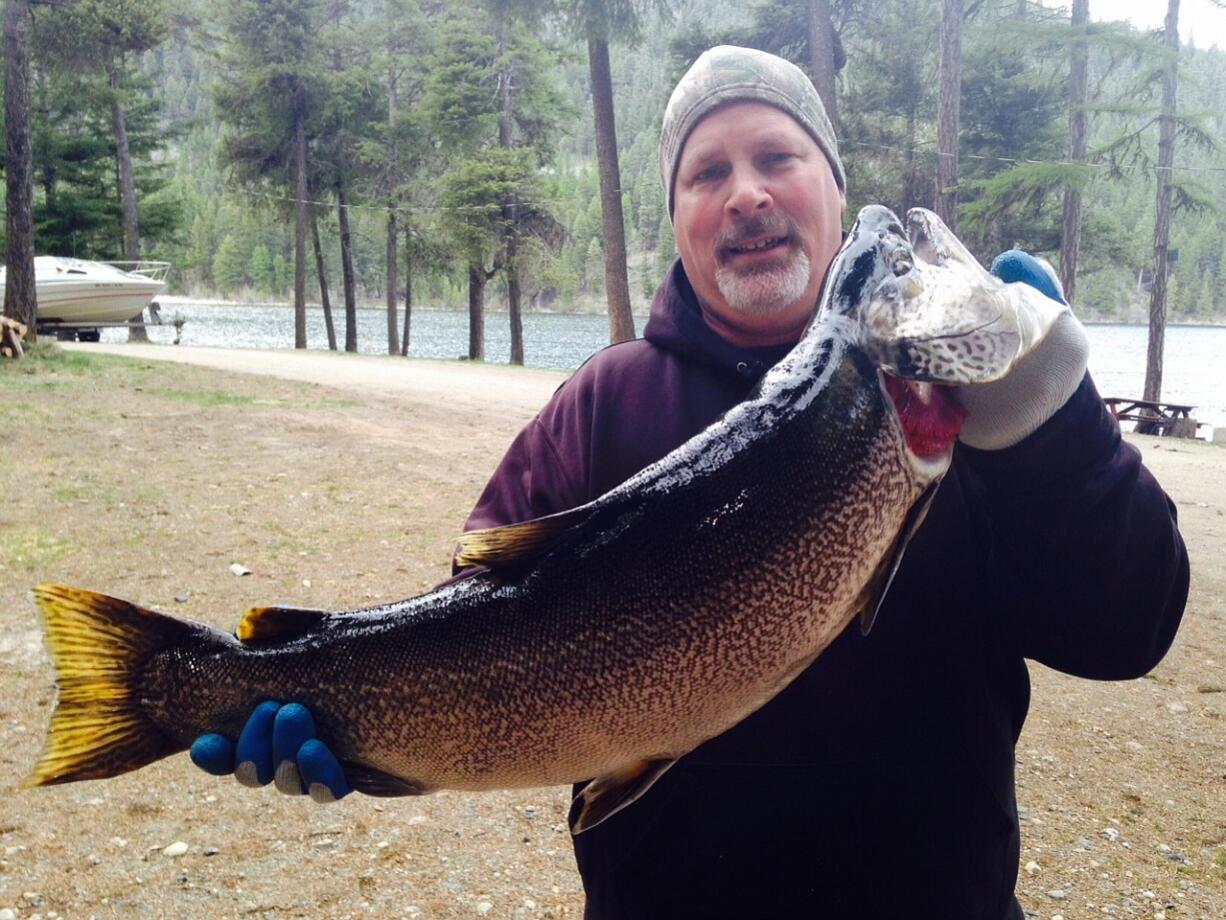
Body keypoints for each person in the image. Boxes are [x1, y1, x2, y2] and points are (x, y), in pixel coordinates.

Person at [191, 46, 1189, 919]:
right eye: (705, 171)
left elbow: (1120, 629)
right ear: (676, 218)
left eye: (776, 157)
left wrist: (1051, 428)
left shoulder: (974, 398)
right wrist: (331, 705)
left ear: (831, 193)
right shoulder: (601, 400)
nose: (745, 191)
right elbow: (476, 620)